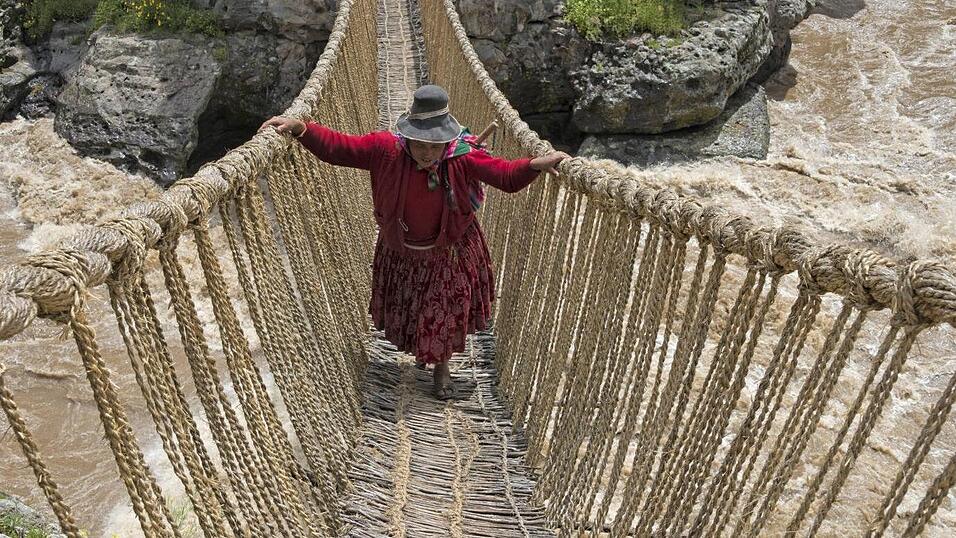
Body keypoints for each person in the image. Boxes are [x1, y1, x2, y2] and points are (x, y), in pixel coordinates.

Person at [260, 84, 569, 399]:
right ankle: (426, 353)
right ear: (407, 136)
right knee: (414, 308)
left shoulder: (462, 157)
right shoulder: (385, 150)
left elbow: (503, 174)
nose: (427, 152)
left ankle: (442, 369)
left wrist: (533, 165)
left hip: (451, 252)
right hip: (403, 252)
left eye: (435, 145)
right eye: (420, 144)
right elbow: (342, 148)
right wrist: (302, 129)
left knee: (443, 310)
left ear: (447, 140)